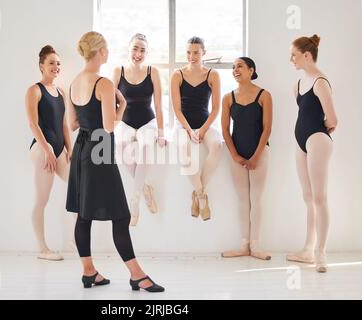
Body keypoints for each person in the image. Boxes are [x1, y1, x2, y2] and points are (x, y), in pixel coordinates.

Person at [66, 31, 164, 292]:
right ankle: (137, 275)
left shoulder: (74, 82)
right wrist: (120, 104)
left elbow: (74, 124)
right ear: (99, 52)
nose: (108, 53)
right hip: (100, 149)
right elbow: (110, 126)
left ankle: (89, 272)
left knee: (83, 216)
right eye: (106, 49)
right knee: (121, 215)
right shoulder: (104, 84)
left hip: (82, 149)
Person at [287, 34, 338, 273]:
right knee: (307, 197)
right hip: (300, 141)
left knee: (320, 197)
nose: (291, 59)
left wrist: (319, 134)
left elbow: (333, 119)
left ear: (307, 56)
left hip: (317, 139)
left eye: (294, 55)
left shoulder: (320, 82)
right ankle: (308, 248)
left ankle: (321, 253)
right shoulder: (298, 84)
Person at [112, 33, 167, 226]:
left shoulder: (153, 72)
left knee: (145, 148)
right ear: (129, 49)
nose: (138, 53)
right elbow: (112, 104)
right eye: (135, 48)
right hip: (126, 121)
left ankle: (134, 205)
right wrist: (110, 126)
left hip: (147, 121)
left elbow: (159, 105)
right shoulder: (118, 71)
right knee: (119, 145)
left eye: (142, 50)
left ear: (146, 52)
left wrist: (161, 133)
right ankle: (144, 188)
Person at [221, 57, 273, 260]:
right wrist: (234, 154)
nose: (235, 70)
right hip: (237, 155)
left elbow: (267, 128)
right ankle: (244, 245)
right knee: (243, 200)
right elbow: (225, 130)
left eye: (240, 66)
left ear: (251, 70)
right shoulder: (228, 98)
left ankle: (256, 245)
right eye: (233, 67)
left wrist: (256, 156)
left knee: (256, 199)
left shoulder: (264, 95)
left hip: (260, 152)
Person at [25, 45, 72, 261]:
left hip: (59, 149)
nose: (56, 66)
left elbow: (64, 125)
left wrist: (69, 149)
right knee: (42, 200)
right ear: (42, 66)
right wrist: (48, 150)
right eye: (52, 62)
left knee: (79, 188)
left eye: (58, 63)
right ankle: (43, 249)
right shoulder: (34, 90)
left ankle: (74, 240)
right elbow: (34, 124)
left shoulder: (61, 92)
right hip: (42, 148)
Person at [170, 36, 222, 220]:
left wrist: (202, 130)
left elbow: (216, 108)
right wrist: (189, 130)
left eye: (196, 53)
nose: (192, 56)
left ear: (203, 53)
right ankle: (201, 195)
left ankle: (197, 193)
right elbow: (176, 108)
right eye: (189, 52)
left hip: (204, 123)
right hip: (182, 125)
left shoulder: (212, 75)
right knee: (184, 149)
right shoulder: (177, 75)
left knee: (217, 146)